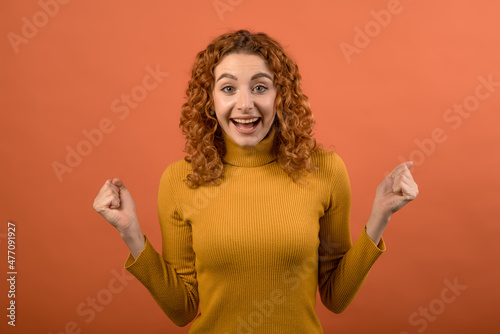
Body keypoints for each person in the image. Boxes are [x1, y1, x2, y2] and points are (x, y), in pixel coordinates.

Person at [93, 30, 418, 333]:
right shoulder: (180, 180)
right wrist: (130, 233)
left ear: (282, 96)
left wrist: (380, 217)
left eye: (260, 87)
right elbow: (182, 310)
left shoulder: (324, 171)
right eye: (229, 88)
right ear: (210, 99)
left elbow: (335, 296)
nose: (245, 105)